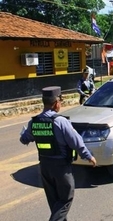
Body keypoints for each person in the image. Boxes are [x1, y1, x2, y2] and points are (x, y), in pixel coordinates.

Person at [20, 86, 97, 221]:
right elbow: (76, 142)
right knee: (66, 199)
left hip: (44, 167)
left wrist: (24, 133)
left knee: (55, 202)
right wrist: (88, 156)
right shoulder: (61, 121)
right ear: (56, 103)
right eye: (60, 101)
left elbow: (25, 139)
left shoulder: (34, 122)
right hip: (61, 168)